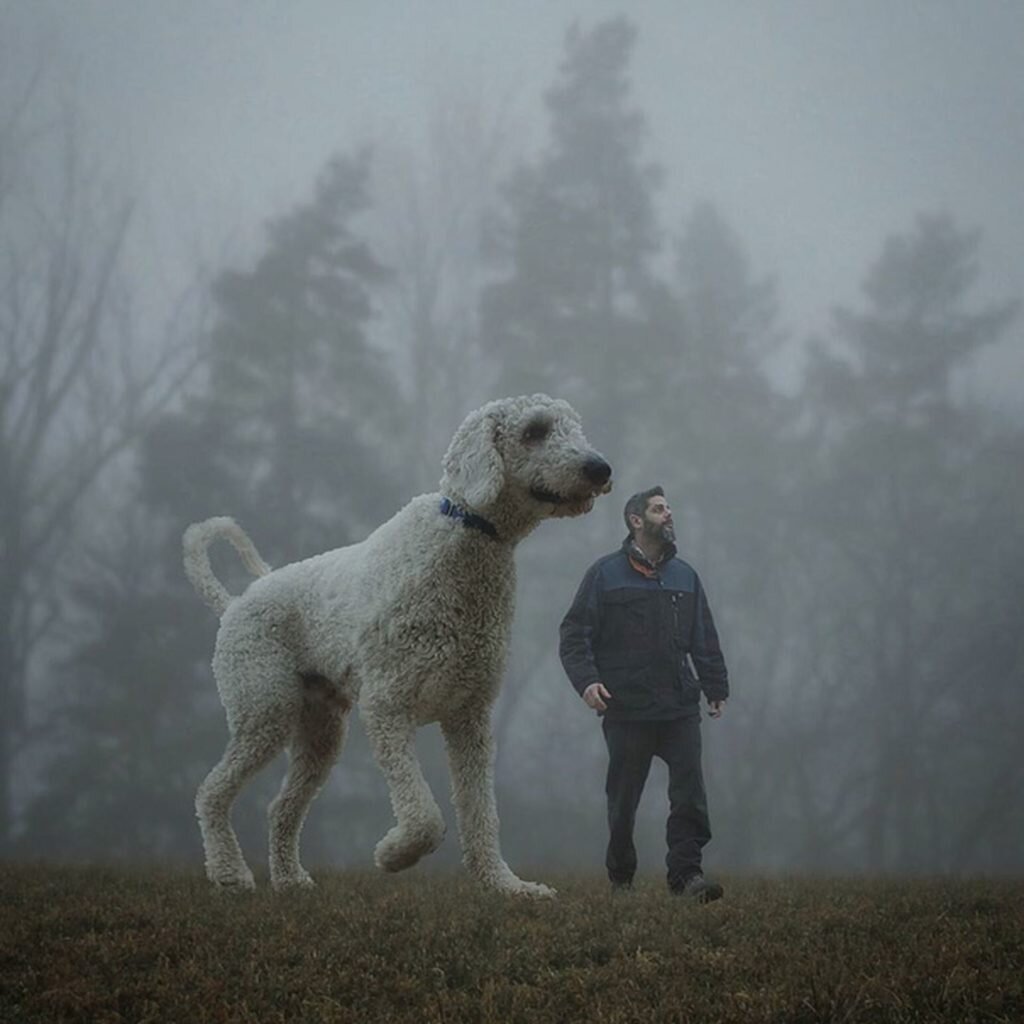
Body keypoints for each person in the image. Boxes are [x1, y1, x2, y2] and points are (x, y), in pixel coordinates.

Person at [559, 485, 728, 901]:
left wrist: (715, 685)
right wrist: (587, 682)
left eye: (669, 508)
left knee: (689, 797)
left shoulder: (686, 576)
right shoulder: (604, 574)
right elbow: (574, 635)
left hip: (679, 707)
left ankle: (687, 878)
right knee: (622, 805)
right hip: (626, 710)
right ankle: (621, 880)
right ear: (636, 520)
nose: (668, 515)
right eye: (658, 509)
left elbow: (703, 636)